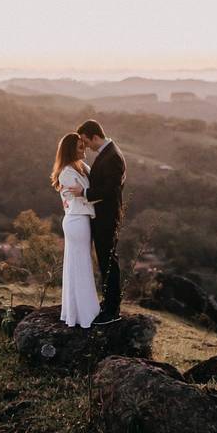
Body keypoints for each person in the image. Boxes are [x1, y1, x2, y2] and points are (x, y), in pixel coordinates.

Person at [66, 119, 126, 325]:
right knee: (104, 261)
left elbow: (111, 190)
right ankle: (108, 303)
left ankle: (112, 310)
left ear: (94, 137)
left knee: (108, 262)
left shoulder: (113, 157)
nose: (86, 146)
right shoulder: (108, 153)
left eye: (85, 140)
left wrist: (84, 192)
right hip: (102, 216)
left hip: (107, 218)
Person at [51, 132, 101, 328]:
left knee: (80, 265)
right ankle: (83, 314)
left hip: (82, 219)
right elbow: (88, 197)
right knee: (79, 266)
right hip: (76, 221)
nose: (85, 150)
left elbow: (88, 192)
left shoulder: (83, 168)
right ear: (71, 150)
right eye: (81, 147)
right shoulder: (66, 173)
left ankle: (77, 311)